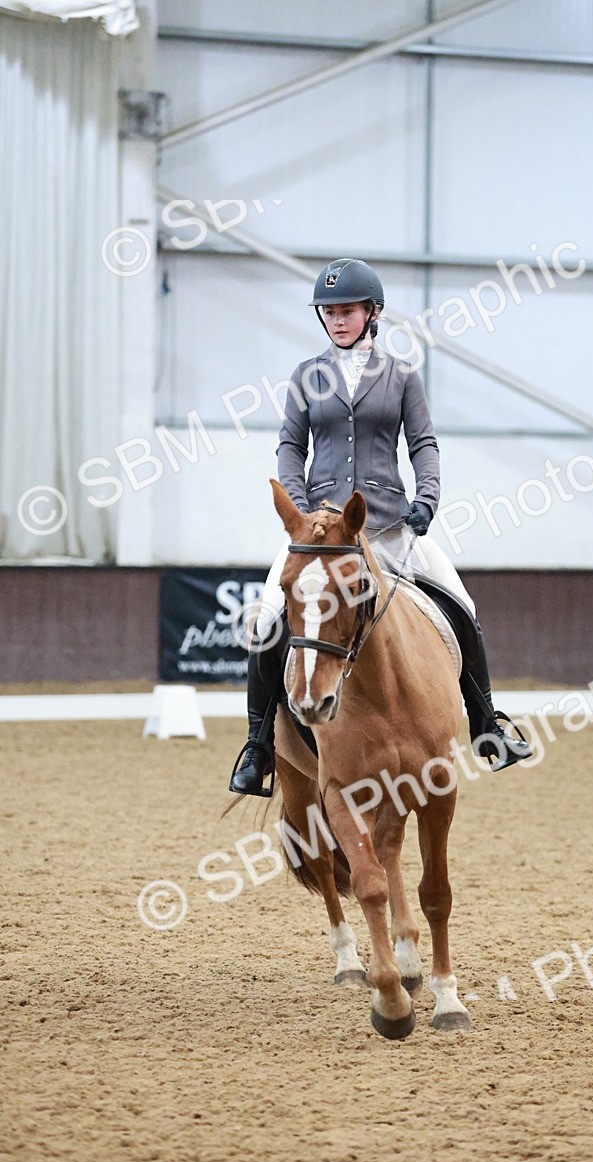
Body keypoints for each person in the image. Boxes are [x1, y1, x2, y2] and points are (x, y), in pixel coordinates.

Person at [229, 258, 531, 796]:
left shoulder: (401, 376)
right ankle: (256, 748)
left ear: (372, 313)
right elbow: (290, 448)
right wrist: (301, 514)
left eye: (346, 311)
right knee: (268, 620)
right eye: (329, 312)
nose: (337, 320)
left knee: (461, 608)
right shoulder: (306, 377)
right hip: (320, 536)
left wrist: (427, 500)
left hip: (389, 527)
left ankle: (487, 724)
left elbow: (424, 445)